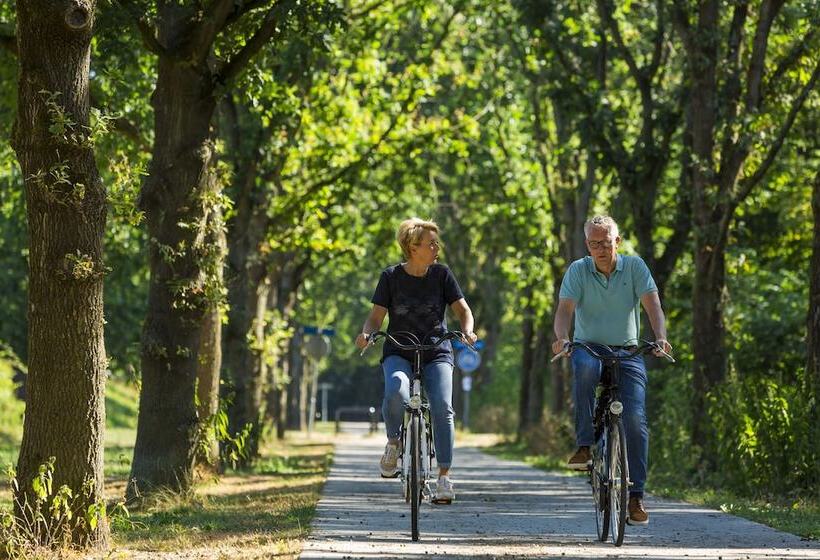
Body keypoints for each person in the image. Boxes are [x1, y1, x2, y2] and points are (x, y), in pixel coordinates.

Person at [551, 215, 671, 526]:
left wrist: (660, 337)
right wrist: (562, 338)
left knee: (635, 419)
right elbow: (564, 310)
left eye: (606, 243)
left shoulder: (634, 267)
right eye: (594, 244)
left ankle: (636, 497)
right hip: (588, 346)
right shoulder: (578, 270)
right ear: (587, 245)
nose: (601, 250)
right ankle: (584, 445)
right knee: (585, 369)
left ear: (617, 242)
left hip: (628, 351)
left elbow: (653, 305)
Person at [355, 217, 477, 505]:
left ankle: (444, 477)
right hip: (399, 349)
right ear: (412, 247)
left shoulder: (442, 275)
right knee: (396, 391)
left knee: (442, 407)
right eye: (431, 243)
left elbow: (463, 311)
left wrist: (468, 330)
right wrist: (367, 334)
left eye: (436, 243)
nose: (437, 248)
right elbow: (376, 317)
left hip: (436, 350)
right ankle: (393, 443)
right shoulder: (390, 277)